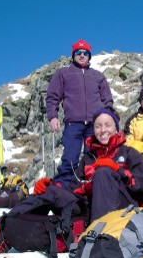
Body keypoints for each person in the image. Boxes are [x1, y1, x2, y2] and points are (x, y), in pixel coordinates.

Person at [46, 39, 113, 186]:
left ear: (89, 56)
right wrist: (53, 117)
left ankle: (93, 189)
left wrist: (108, 121)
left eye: (85, 53)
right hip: (73, 124)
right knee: (70, 159)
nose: (82, 55)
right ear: (73, 55)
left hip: (94, 126)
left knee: (93, 159)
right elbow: (52, 97)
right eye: (78, 52)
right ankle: (62, 190)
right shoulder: (63, 73)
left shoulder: (97, 76)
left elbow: (107, 100)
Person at [66, 107, 143, 221]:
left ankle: (102, 231)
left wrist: (118, 170)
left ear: (116, 128)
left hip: (126, 211)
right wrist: (52, 188)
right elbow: (74, 189)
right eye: (98, 126)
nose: (103, 130)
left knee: (103, 173)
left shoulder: (129, 153)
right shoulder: (88, 158)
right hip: (94, 209)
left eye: (108, 125)